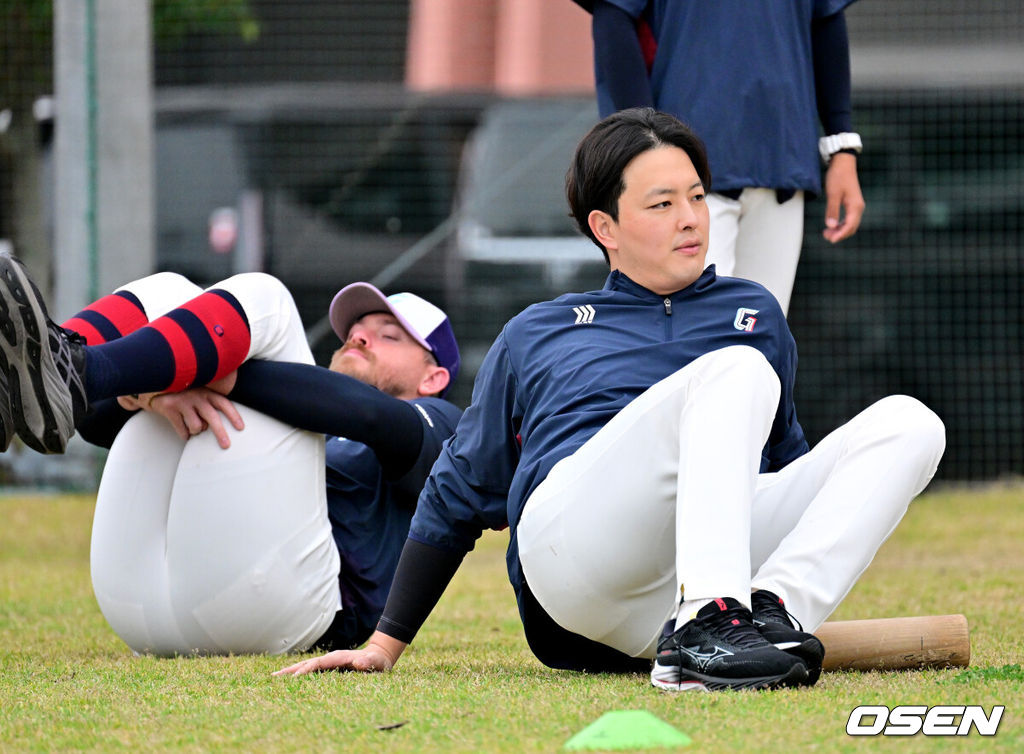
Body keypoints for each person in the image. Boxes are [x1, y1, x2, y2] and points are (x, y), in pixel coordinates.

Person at [274, 109, 944, 692]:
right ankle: (710, 621)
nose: (690, 219)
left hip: (680, 585)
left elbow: (776, 472)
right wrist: (383, 644)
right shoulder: (539, 330)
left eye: (697, 196)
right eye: (661, 204)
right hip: (574, 566)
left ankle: (766, 613)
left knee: (911, 425)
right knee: (734, 371)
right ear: (606, 226)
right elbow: (454, 491)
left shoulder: (753, 312)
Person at [0, 253, 461, 656]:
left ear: (433, 377)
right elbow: (88, 424)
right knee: (169, 290)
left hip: (288, 612)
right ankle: (47, 370)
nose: (358, 337)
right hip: (138, 608)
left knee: (268, 299)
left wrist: (200, 376)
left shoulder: (445, 423)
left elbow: (373, 418)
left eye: (389, 336)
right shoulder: (292, 408)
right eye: (354, 331)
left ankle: (76, 367)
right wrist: (156, 396)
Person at [578, 0, 866, 314]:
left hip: (782, 163)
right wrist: (642, 145)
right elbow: (613, 16)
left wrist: (842, 146)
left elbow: (826, 17)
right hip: (681, 177)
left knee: (761, 348)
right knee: (683, 340)